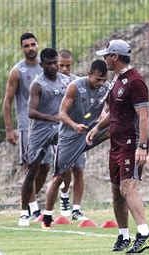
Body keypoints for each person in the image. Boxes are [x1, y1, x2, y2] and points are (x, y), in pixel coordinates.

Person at [87, 39, 149, 253]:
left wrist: (142, 146)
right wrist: (97, 128)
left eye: (106, 55)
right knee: (117, 192)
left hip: (131, 144)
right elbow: (112, 113)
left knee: (128, 188)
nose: (104, 59)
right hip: (116, 145)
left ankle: (145, 234)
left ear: (115, 57)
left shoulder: (135, 81)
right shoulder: (117, 79)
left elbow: (144, 117)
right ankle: (124, 236)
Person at [41, 60, 109, 229]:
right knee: (58, 177)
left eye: (103, 80)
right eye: (97, 80)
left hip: (90, 131)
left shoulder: (106, 88)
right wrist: (74, 125)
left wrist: (103, 118)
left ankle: (77, 209)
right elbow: (62, 113)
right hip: (70, 135)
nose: (100, 83)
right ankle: (47, 217)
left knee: (116, 129)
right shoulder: (75, 86)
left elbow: (109, 110)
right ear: (89, 73)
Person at [2, 32, 49, 226]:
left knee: (45, 167)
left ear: (38, 45)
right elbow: (8, 100)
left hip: (47, 126)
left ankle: (29, 203)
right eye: (26, 45)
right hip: (26, 127)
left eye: (33, 44)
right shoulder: (17, 71)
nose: (30, 48)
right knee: (29, 167)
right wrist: (9, 129)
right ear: (22, 48)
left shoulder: (45, 68)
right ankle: (32, 208)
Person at [20, 48, 69, 226]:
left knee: (66, 161)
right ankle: (24, 211)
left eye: (55, 62)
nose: (54, 66)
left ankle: (65, 200)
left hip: (59, 130)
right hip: (40, 131)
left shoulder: (65, 80)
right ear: (42, 65)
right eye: (49, 63)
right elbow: (31, 111)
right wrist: (53, 117)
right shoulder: (37, 83)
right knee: (32, 170)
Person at [56, 48, 85, 218]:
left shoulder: (78, 83)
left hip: (79, 133)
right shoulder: (51, 82)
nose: (65, 69)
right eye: (61, 65)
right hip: (61, 133)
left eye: (68, 66)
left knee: (79, 169)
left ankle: (76, 209)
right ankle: (64, 193)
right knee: (64, 169)